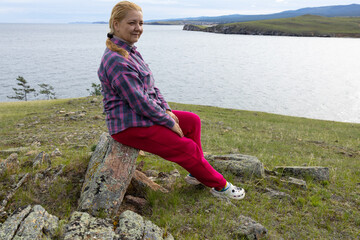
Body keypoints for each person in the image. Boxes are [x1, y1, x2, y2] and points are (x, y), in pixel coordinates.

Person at [98, 1, 245, 200]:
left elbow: (151, 86)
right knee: (187, 148)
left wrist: (166, 110)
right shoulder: (116, 59)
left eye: (141, 23)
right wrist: (168, 122)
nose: (138, 28)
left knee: (192, 121)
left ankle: (197, 172)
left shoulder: (131, 51)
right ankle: (221, 186)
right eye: (132, 23)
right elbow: (139, 101)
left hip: (141, 117)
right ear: (116, 24)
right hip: (128, 126)